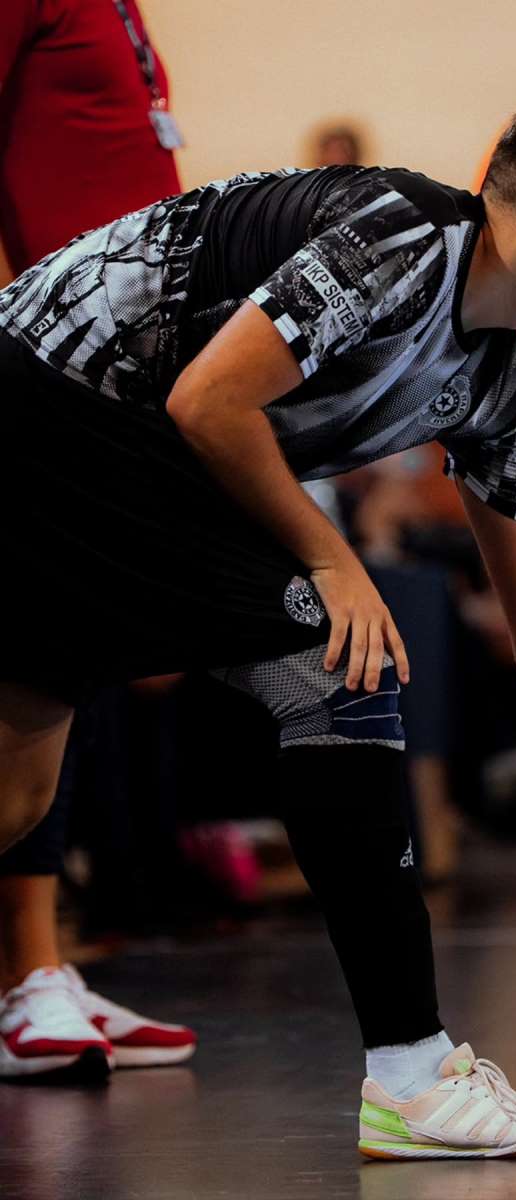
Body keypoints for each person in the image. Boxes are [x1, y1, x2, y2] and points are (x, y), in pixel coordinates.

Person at [0, 95, 516, 1157]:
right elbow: (211, 402)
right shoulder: (399, 241)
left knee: (18, 787)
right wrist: (332, 561)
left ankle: (410, 1075)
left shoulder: (504, 390)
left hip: (110, 451)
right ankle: (410, 1074)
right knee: (337, 660)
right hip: (51, 399)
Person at [0, 0, 195, 1080]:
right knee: (27, 678)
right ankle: (27, 977)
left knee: (59, 680)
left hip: (111, 373)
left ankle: (38, 965)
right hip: (44, 361)